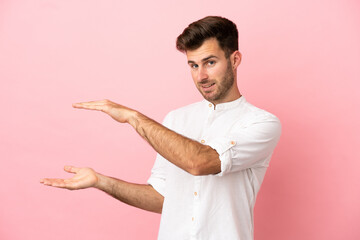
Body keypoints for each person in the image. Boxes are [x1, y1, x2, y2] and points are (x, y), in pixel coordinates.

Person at [40, 16, 281, 240]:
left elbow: (199, 163)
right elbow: (163, 198)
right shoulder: (176, 119)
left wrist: (133, 117)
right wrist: (100, 181)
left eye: (210, 62)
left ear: (235, 59)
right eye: (193, 65)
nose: (201, 76)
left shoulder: (261, 123)